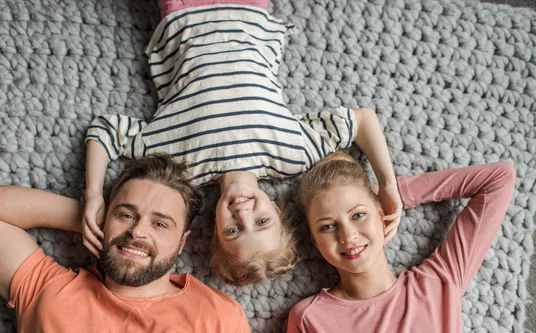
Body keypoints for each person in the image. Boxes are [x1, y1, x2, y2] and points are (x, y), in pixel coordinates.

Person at [82, 0, 402, 286]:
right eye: (262, 221)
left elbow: (105, 132)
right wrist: (388, 184)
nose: (243, 213)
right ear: (277, 210)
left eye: (233, 231)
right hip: (249, 12)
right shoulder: (293, 154)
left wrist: (94, 194)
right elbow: (362, 120)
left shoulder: (179, 168)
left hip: (183, 15)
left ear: (216, 231)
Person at [0, 154, 257, 333]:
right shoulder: (48, 289)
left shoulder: (220, 318)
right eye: (126, 215)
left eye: (160, 224)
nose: (137, 231)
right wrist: (91, 217)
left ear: (182, 243)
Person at [285, 153, 515, 333]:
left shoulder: (438, 283)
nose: (348, 235)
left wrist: (394, 196)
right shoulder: (310, 320)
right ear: (315, 241)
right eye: (327, 226)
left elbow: (498, 178)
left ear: (380, 213)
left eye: (358, 215)